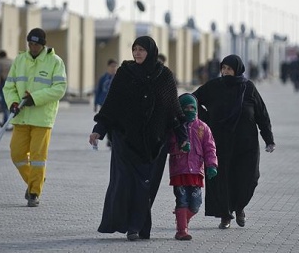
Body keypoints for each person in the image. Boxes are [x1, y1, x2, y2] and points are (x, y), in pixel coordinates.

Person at [88, 36, 189, 241]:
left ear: (150, 51)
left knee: (146, 187)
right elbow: (112, 104)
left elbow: (173, 111)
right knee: (126, 184)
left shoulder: (164, 76)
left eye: (141, 50)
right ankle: (132, 227)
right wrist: (99, 129)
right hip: (125, 140)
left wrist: (183, 137)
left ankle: (139, 226)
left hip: (155, 143)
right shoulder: (125, 73)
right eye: (134, 49)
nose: (137, 53)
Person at [192, 54, 275, 229]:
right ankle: (225, 215)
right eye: (223, 69)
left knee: (249, 178)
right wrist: (206, 118)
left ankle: (240, 207)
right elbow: (192, 100)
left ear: (237, 70)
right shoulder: (214, 87)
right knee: (222, 179)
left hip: (246, 144)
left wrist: (268, 139)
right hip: (220, 142)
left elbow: (261, 114)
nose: (225, 72)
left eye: (229, 69)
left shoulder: (248, 88)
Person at [3, 28, 67, 207]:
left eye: (36, 44)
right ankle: (35, 179)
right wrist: (13, 103)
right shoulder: (19, 60)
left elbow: (60, 88)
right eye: (30, 43)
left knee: (38, 157)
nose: (33, 47)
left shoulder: (55, 62)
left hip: (42, 119)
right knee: (17, 154)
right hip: (21, 116)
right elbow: (9, 87)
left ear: (43, 44)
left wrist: (35, 98)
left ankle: (34, 193)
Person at [168, 93, 218, 241]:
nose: (189, 110)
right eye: (186, 108)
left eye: (192, 107)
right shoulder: (175, 127)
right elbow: (168, 145)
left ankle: (182, 217)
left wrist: (212, 165)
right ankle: (181, 230)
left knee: (196, 204)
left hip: (196, 171)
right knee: (182, 200)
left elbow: (210, 148)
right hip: (179, 170)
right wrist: (178, 147)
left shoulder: (202, 127)